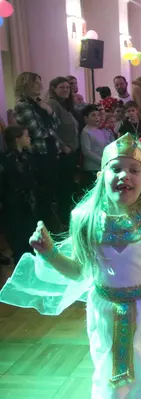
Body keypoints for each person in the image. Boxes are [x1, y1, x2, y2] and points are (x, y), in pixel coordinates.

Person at [0, 133, 141, 399]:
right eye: (116, 169)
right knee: (112, 376)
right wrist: (50, 253)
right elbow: (78, 272)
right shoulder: (85, 219)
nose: (124, 175)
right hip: (107, 313)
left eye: (134, 170)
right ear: (102, 176)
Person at [14, 72, 61, 232]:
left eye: (40, 82)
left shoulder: (40, 104)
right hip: (38, 154)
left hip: (50, 150)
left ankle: (49, 227)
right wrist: (50, 129)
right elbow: (37, 132)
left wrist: (49, 111)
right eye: (35, 83)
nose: (40, 86)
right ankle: (42, 229)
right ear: (26, 85)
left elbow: (57, 123)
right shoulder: (23, 105)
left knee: (51, 191)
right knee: (43, 193)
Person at [0, 126, 38, 261]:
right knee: (19, 242)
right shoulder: (6, 159)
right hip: (14, 205)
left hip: (28, 203)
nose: (29, 138)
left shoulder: (28, 156)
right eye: (26, 136)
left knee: (31, 240)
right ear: (17, 139)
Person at [47, 76, 79, 225]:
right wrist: (62, 146)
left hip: (71, 152)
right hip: (63, 154)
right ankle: (64, 222)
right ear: (53, 89)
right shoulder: (53, 103)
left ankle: (67, 219)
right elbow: (51, 128)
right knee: (64, 189)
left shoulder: (65, 105)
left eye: (67, 87)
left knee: (69, 187)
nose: (66, 90)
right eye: (62, 87)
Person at [80, 104, 114, 189]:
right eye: (93, 115)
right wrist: (102, 160)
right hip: (92, 169)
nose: (97, 118)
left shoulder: (101, 130)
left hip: (103, 167)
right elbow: (86, 151)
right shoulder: (86, 132)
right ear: (86, 118)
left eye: (98, 115)